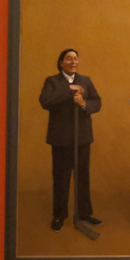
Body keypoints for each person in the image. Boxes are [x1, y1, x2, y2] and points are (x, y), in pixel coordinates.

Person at [39, 49, 102, 231]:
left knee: (83, 177)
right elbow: (45, 101)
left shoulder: (86, 81)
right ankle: (59, 215)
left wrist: (84, 103)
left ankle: (84, 213)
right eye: (68, 59)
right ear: (61, 63)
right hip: (61, 139)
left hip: (82, 138)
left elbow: (97, 103)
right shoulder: (52, 81)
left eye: (75, 58)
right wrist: (69, 90)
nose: (73, 62)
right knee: (61, 178)